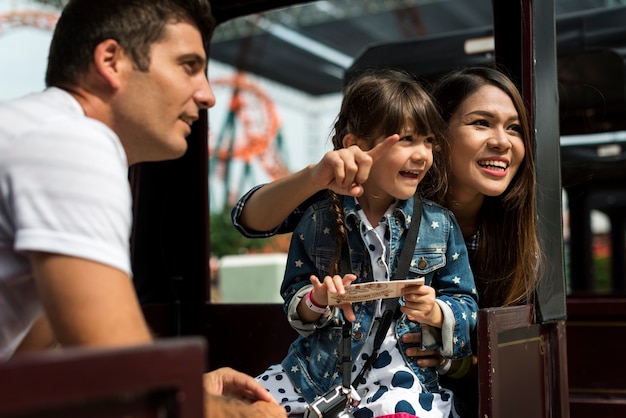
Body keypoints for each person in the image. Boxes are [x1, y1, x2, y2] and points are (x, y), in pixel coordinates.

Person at [0, 0, 285, 417]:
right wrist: (242, 414)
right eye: (189, 66)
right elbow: (125, 381)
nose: (207, 95)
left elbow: (25, 366)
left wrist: (193, 391)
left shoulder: (37, 130)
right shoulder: (73, 144)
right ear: (111, 61)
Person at [231, 65, 539, 417]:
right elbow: (249, 220)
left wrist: (451, 356)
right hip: (323, 375)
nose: (502, 140)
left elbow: (499, 346)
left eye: (514, 128)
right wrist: (315, 177)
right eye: (481, 122)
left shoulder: (482, 231)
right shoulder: (336, 205)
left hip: (410, 385)